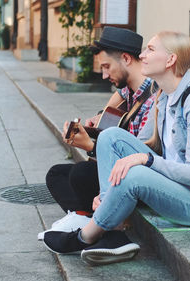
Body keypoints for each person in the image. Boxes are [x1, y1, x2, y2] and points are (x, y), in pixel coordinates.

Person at [41, 31, 190, 266]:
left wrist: (145, 159)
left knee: (135, 172)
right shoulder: (164, 97)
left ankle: (87, 236)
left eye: (151, 50)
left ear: (170, 60)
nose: (142, 55)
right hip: (176, 186)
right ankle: (111, 227)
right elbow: (139, 144)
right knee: (111, 137)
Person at [39, 27, 156, 239]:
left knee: (81, 174)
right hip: (117, 171)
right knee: (56, 174)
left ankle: (93, 220)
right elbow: (113, 107)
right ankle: (83, 216)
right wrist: (98, 119)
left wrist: (91, 147)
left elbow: (136, 160)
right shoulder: (129, 90)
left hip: (137, 179)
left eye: (106, 67)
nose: (103, 75)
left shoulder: (152, 100)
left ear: (126, 59)